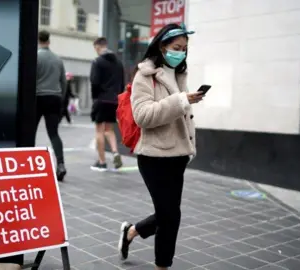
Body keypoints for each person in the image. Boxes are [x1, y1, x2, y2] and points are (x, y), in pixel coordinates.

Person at [117, 23, 203, 270]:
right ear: (162, 46)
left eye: (185, 49)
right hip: (153, 156)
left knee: (169, 213)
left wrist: (185, 101)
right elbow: (143, 116)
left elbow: (179, 112)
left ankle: (132, 231)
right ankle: (162, 266)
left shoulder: (178, 74)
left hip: (178, 155)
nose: (182, 53)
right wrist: (181, 100)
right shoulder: (145, 74)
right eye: (177, 48)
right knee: (171, 216)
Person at [35, 30, 67, 181]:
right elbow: (64, 83)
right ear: (49, 40)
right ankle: (60, 164)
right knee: (53, 133)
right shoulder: (58, 60)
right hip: (54, 98)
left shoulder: (35, 57)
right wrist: (61, 98)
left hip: (37, 98)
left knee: (30, 132)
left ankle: (30, 165)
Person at [90, 37, 124, 171]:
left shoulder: (97, 62)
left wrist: (95, 99)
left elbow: (94, 82)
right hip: (114, 100)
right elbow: (121, 83)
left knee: (99, 131)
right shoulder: (119, 63)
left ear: (98, 47)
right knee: (109, 130)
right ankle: (115, 152)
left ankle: (102, 161)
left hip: (101, 99)